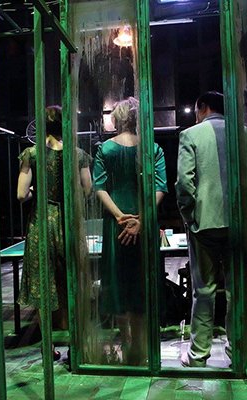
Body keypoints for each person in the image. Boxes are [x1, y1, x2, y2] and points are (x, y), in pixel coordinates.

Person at [176, 91, 247, 367]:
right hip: (240, 223)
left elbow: (184, 183)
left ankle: (198, 355)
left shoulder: (191, 135)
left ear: (203, 107)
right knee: (237, 289)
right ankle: (240, 352)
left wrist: (189, 216)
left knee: (204, 290)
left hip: (204, 223)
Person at [93, 97, 167, 365]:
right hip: (143, 223)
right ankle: (140, 347)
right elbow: (160, 187)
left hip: (116, 225)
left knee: (118, 282)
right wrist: (142, 220)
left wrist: (119, 217)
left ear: (117, 119)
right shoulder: (152, 149)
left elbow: (99, 187)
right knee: (140, 282)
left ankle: (125, 342)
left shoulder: (105, 149)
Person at [17, 105, 92, 361]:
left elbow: (20, 194)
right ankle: (76, 343)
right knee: (72, 281)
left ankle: (47, 346)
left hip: (42, 222)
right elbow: (87, 190)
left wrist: (35, 192)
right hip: (70, 221)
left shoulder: (32, 154)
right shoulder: (78, 154)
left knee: (43, 283)